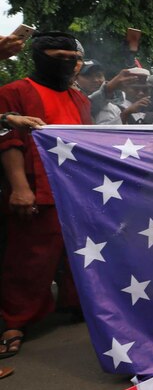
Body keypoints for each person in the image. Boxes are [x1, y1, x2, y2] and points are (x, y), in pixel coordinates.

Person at [0, 32, 93, 358]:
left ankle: (74, 304)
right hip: (36, 189)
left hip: (77, 190)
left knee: (81, 254)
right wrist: (20, 188)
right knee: (30, 257)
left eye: (73, 58)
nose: (68, 64)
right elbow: (8, 140)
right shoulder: (14, 92)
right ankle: (16, 319)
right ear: (39, 58)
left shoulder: (80, 99)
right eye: (59, 57)